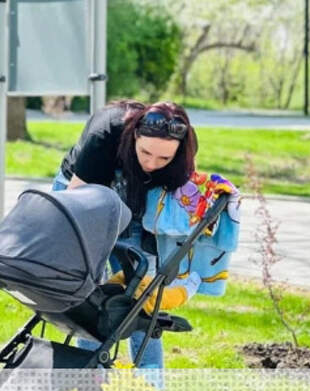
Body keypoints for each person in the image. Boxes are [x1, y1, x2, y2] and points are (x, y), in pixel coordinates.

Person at [51, 100, 199, 370]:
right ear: (134, 136)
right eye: (146, 152)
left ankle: (150, 387)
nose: (152, 163)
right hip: (82, 195)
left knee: (142, 299)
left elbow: (183, 198)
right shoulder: (106, 134)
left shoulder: (185, 148)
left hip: (137, 201)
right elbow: (76, 204)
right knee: (92, 298)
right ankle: (88, 381)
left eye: (164, 159)